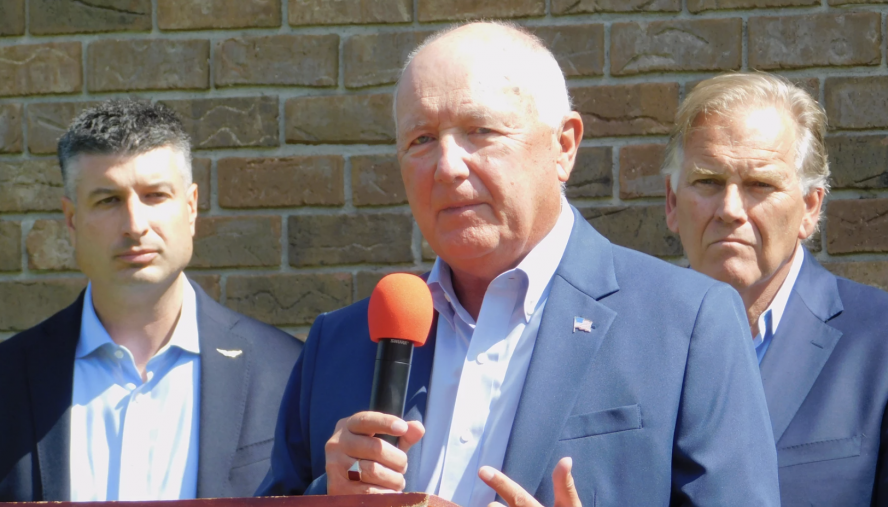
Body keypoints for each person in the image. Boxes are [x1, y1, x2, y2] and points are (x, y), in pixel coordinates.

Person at [258, 22, 780, 505]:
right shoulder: (340, 343)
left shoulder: (687, 324)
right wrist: (327, 494)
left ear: (564, 146)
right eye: (420, 140)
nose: (447, 166)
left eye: (480, 131)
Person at [0, 100, 302, 501]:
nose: (135, 225)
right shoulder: (9, 380)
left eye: (155, 195)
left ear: (191, 207)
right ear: (71, 221)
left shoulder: (285, 371)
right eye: (108, 200)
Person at [663, 72, 888, 506]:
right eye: (708, 182)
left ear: (810, 208)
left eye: (760, 185)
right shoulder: (625, 342)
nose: (730, 209)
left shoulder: (886, 345)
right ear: (672, 202)